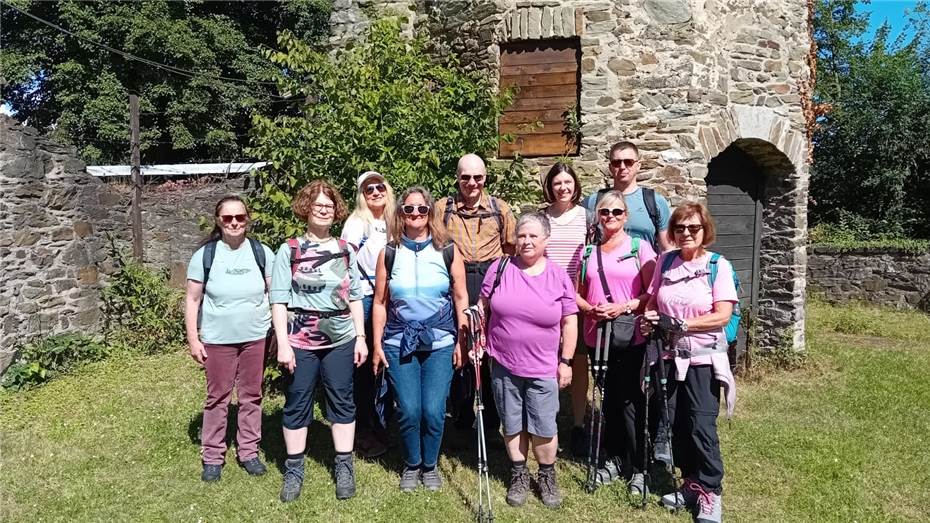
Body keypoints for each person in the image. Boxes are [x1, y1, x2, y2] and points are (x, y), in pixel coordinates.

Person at [269, 180, 367, 503]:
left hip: (341, 338)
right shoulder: (290, 250)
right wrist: (283, 344)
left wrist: (361, 337)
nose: (323, 210)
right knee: (298, 399)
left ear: (335, 210)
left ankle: (344, 465)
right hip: (300, 338)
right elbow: (279, 300)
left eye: (328, 205)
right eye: (317, 205)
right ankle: (294, 468)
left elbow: (354, 298)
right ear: (306, 209)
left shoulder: (345, 250)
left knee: (342, 399)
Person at [642, 202, 738, 523]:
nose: (686, 233)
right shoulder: (665, 262)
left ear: (704, 230)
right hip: (669, 357)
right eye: (680, 228)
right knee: (676, 422)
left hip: (702, 358)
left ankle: (711, 491)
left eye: (693, 228)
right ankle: (690, 483)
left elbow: (723, 315)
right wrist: (649, 320)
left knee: (700, 424)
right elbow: (654, 301)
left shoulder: (717, 265)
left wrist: (683, 325)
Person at [371, 186, 468, 492]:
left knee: (434, 410)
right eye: (408, 209)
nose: (415, 215)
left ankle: (430, 466)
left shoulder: (448, 250)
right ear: (400, 213)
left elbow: (461, 297)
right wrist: (376, 345)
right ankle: (412, 464)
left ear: (430, 213)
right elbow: (379, 302)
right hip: (399, 339)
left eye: (421, 209)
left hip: (439, 340)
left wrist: (462, 341)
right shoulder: (389, 252)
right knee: (409, 408)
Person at [479, 212, 578, 509]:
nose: (526, 241)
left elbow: (569, 322)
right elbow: (482, 306)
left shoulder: (557, 275)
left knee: (544, 425)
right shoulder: (500, 267)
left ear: (546, 240)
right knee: (512, 422)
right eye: (522, 235)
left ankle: (546, 476)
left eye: (534, 235)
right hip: (504, 363)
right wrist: (477, 334)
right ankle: (519, 473)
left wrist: (566, 361)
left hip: (543, 366)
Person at [184, 195, 275, 482]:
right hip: (218, 339)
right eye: (228, 218)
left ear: (248, 220)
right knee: (217, 397)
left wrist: (278, 332)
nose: (234, 222)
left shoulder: (262, 253)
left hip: (256, 337)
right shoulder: (205, 255)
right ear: (218, 221)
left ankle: (248, 451)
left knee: (252, 396)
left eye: (240, 217)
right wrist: (193, 339)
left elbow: (276, 296)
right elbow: (191, 299)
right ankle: (212, 455)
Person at [575, 190, 656, 496]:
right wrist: (589, 309)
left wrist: (624, 307)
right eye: (605, 212)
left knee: (631, 401)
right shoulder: (587, 253)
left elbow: (652, 291)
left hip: (630, 335)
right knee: (608, 400)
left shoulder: (640, 248)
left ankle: (639, 466)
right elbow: (577, 293)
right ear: (597, 215)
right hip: (598, 336)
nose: (610, 217)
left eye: (617, 212)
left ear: (626, 215)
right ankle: (614, 457)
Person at [436, 153, 517, 432]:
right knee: (460, 344)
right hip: (455, 280)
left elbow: (510, 248)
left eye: (478, 177)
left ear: (485, 178)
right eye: (466, 177)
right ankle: (460, 417)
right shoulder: (441, 209)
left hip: (490, 280)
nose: (472, 183)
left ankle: (492, 419)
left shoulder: (500, 208)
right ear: (457, 177)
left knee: (491, 350)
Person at [341, 170, 396, 458]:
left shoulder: (394, 220)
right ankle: (364, 427)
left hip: (389, 297)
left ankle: (382, 421)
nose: (375, 192)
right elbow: (345, 262)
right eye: (368, 189)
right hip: (365, 297)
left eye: (379, 187)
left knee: (385, 359)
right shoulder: (356, 223)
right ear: (361, 195)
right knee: (364, 366)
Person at [540, 162, 590, 458]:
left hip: (576, 299)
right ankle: (550, 423)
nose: (563, 188)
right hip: (546, 298)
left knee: (577, 361)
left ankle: (579, 425)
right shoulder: (541, 218)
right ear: (550, 186)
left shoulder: (587, 218)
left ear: (575, 185)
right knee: (548, 362)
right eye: (557, 183)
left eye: (567, 182)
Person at [582, 141, 673, 252]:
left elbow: (667, 249)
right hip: (602, 268)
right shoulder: (593, 202)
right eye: (617, 163)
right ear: (610, 167)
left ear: (638, 165)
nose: (622, 167)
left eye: (628, 162)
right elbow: (582, 245)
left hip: (644, 268)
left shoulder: (655, 202)